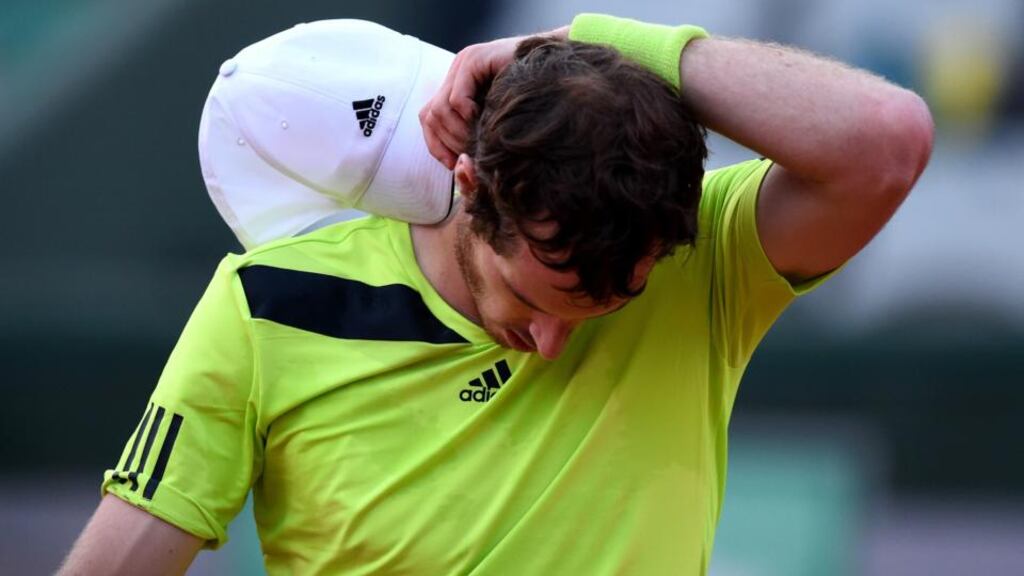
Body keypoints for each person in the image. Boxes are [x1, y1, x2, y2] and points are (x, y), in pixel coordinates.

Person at [59, 13, 932, 576]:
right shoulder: (267, 304)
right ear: (470, 185)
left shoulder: (700, 268)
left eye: (606, 306)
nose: (552, 346)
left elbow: (886, 141)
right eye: (533, 297)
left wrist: (567, 50)